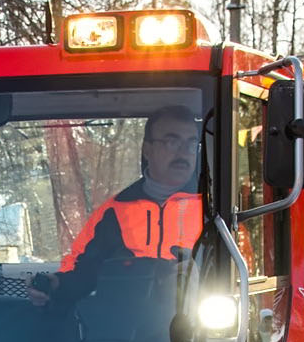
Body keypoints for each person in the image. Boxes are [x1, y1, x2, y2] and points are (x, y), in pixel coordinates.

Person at [58, 105, 203, 276]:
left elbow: (233, 271)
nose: (184, 152)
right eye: (172, 142)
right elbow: (81, 269)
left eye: (191, 144)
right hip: (127, 302)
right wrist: (56, 285)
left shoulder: (213, 209)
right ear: (147, 150)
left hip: (191, 303)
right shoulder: (115, 210)